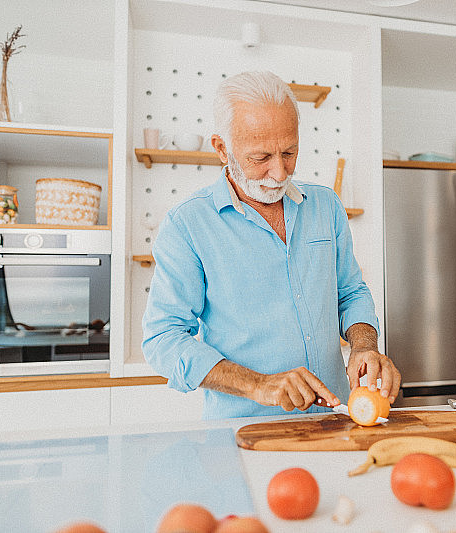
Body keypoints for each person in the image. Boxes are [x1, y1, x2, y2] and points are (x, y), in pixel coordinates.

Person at [142, 70, 401, 419]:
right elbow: (164, 338)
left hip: (336, 422)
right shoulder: (187, 225)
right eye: (260, 158)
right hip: (245, 432)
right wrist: (258, 384)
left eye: (289, 153)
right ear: (222, 149)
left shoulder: (326, 206)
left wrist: (364, 346)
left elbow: (350, 292)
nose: (279, 173)